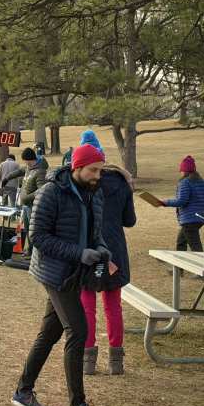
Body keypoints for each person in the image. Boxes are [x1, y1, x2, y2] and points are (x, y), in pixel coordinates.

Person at [11, 143, 110, 406]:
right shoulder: (51, 192)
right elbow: (38, 237)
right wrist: (79, 253)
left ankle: (23, 392)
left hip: (75, 273)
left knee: (50, 333)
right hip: (55, 273)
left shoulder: (94, 192)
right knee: (78, 332)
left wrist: (101, 248)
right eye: (93, 170)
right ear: (76, 167)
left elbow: (95, 232)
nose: (97, 176)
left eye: (100, 171)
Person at [75, 131, 137, 376]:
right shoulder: (121, 181)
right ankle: (116, 362)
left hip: (89, 249)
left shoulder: (82, 181)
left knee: (86, 306)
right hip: (114, 249)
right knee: (113, 306)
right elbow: (129, 220)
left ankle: (87, 361)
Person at [159, 155, 204, 252]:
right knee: (181, 242)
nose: (180, 172)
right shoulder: (203, 183)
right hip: (200, 218)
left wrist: (165, 202)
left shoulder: (185, 182)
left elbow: (181, 201)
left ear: (184, 171)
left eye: (181, 170)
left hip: (189, 220)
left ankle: (201, 262)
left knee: (196, 247)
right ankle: (180, 262)